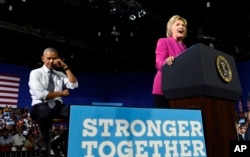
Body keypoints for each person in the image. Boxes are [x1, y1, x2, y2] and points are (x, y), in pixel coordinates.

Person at [28, 47, 79, 152]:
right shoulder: (35, 73)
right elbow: (41, 94)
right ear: (43, 58)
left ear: (58, 59)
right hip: (40, 106)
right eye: (49, 58)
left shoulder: (59, 74)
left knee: (77, 114)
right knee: (45, 112)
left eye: (54, 58)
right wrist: (61, 93)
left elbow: (74, 85)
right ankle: (45, 142)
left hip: (57, 106)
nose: (51, 61)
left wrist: (66, 67)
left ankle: (57, 142)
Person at [152, 15, 188, 108]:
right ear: (171, 29)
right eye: (178, 24)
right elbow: (159, 63)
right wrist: (166, 62)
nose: (181, 27)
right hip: (164, 89)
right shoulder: (164, 41)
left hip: (179, 89)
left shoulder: (186, 49)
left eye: (183, 25)